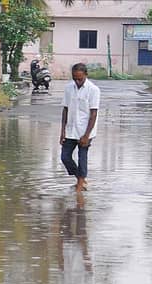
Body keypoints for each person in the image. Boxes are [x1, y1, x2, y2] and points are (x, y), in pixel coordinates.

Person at [59, 63, 100, 192]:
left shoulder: (93, 90)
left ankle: (80, 184)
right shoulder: (68, 88)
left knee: (83, 157)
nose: (77, 81)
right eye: (74, 78)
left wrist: (86, 135)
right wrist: (62, 131)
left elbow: (93, 114)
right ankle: (80, 178)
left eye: (80, 79)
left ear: (86, 75)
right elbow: (65, 109)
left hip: (85, 130)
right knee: (65, 157)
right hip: (71, 130)